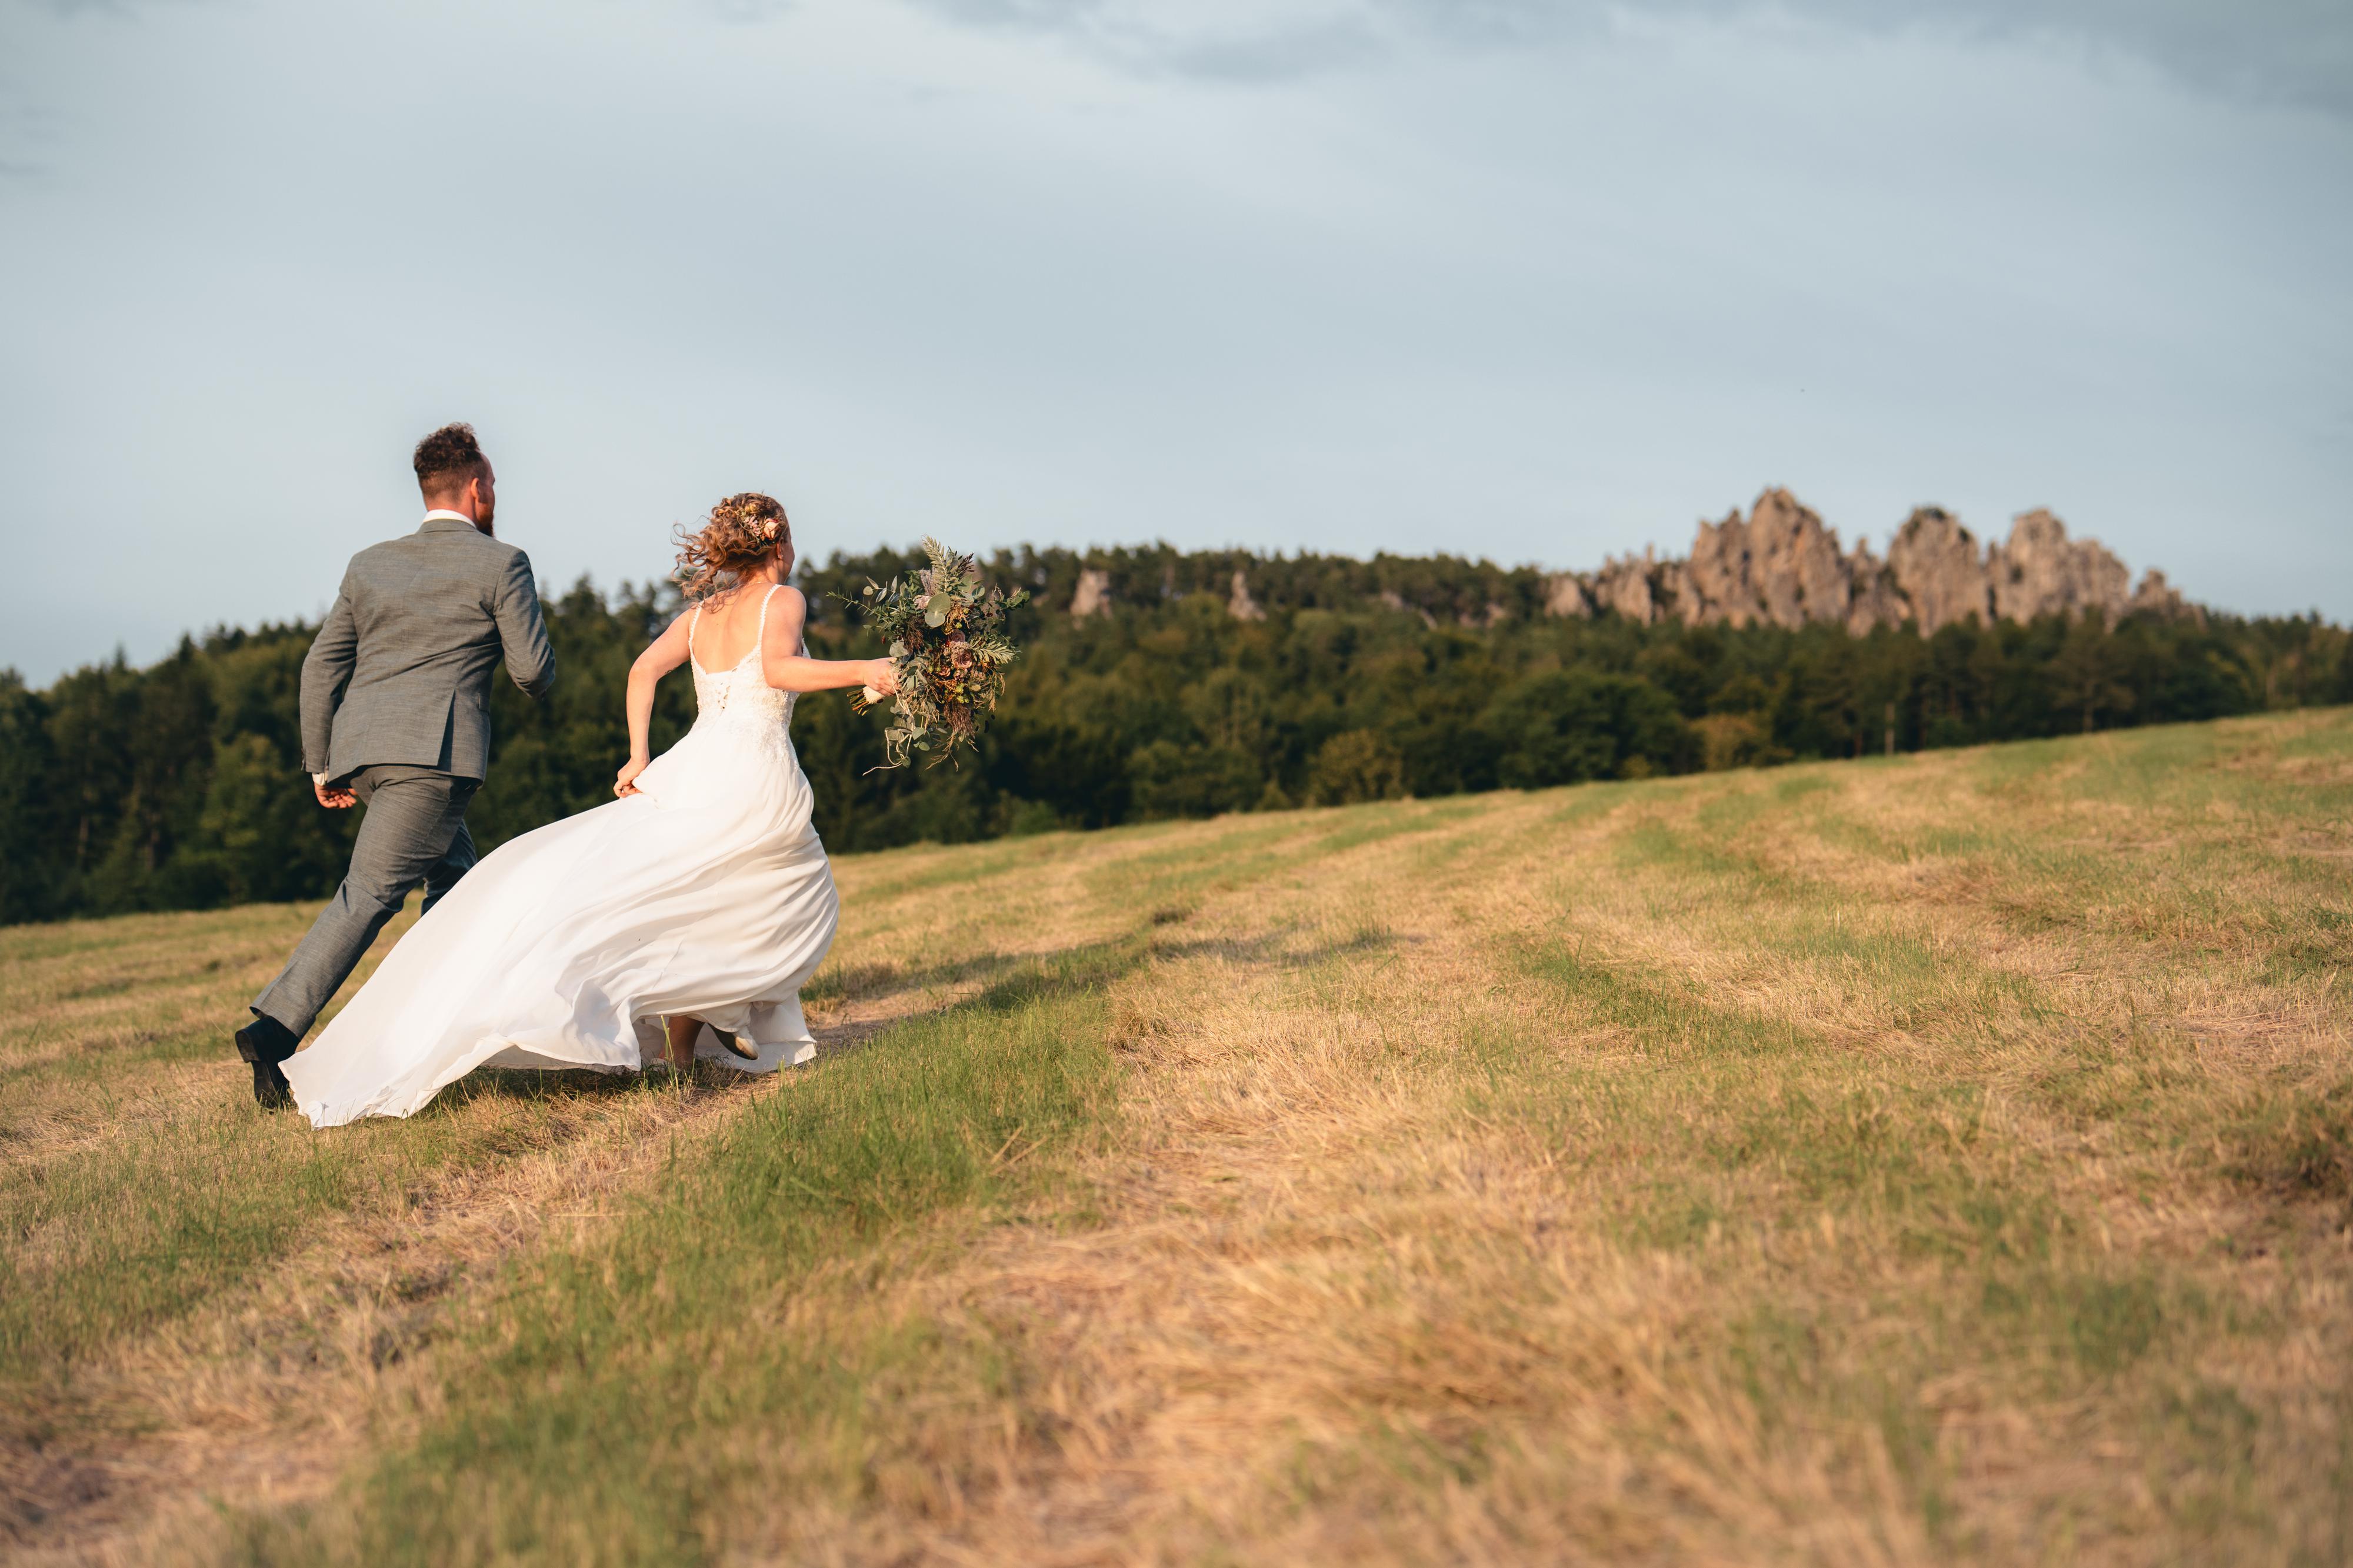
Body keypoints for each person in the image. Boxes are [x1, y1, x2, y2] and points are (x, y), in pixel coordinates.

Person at [277, 492, 894, 1127]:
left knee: (696, 889)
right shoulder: (783, 599)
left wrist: (637, 755)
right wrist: (867, 667)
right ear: (779, 544)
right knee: (770, 887)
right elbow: (778, 668)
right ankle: (696, 1031)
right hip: (748, 766)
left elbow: (642, 671)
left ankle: (686, 1045)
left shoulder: (703, 612)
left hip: (696, 758)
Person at [234, 422, 554, 1109]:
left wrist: (321, 762)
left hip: (363, 753)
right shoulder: (503, 563)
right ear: (475, 488)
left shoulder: (369, 562)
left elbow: (322, 662)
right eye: (493, 483)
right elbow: (532, 672)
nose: (496, 493)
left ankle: (435, 1029)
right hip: (430, 761)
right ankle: (276, 1032)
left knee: (460, 884)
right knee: (371, 893)